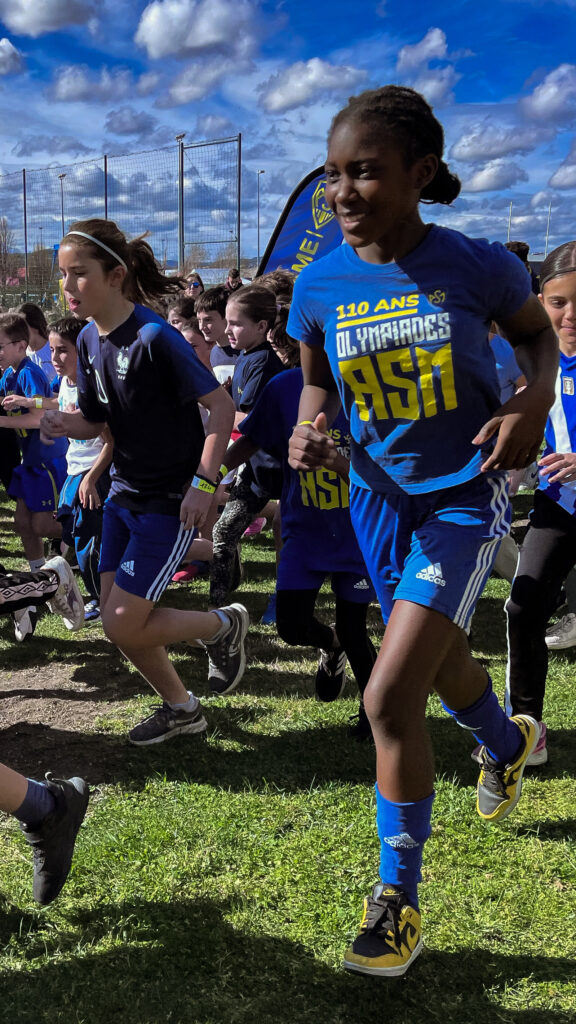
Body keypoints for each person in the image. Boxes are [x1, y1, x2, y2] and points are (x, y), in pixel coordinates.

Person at [287, 85, 557, 978]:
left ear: (420, 172)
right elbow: (317, 381)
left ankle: (396, 902)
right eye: (333, 174)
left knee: (388, 694)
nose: (343, 192)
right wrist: (309, 430)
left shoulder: (477, 265)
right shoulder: (319, 282)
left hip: (462, 496)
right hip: (373, 498)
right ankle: (508, 743)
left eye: (364, 171)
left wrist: (533, 401)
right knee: (439, 663)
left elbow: (538, 341)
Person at [40, 218, 248, 745]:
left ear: (115, 275)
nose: (67, 287)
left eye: (78, 274)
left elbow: (221, 409)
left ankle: (224, 626)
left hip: (169, 502)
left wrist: (204, 486)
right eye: (62, 274)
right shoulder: (88, 338)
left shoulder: (156, 338)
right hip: (123, 497)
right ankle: (183, 709)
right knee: (123, 625)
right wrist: (62, 422)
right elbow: (97, 421)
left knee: (121, 622)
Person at [225, 365, 377, 738]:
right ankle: (331, 645)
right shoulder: (285, 386)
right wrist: (211, 474)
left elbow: (385, 474)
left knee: (354, 628)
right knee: (291, 627)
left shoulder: (373, 383)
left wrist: (336, 460)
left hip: (356, 533)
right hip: (303, 530)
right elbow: (252, 438)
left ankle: (374, 712)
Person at [504, 241, 576, 764]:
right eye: (558, 302)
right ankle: (527, 729)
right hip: (559, 506)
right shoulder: (537, 360)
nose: (570, 316)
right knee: (523, 605)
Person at [208, 285, 284, 617]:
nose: (228, 330)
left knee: (285, 540)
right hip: (254, 470)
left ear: (262, 326)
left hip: (282, 470)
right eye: (227, 322)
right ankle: (217, 609)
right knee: (223, 531)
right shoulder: (245, 357)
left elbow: (252, 423)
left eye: (236, 323)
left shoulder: (264, 362)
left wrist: (218, 409)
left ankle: (283, 599)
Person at [0, 313, 68, 640]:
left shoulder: (29, 373)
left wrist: (2, 422)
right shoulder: (9, 374)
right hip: (29, 462)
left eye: (0, 346)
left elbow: (39, 417)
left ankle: (91, 534)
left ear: (20, 345)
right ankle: (39, 583)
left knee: (42, 525)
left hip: (46, 461)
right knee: (22, 523)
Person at [49, 316, 113, 624]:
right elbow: (55, 406)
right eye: (52, 350)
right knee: (71, 535)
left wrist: (91, 478)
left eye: (63, 350)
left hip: (94, 474)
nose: (55, 358)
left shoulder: (92, 389)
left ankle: (101, 600)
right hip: (75, 472)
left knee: (89, 542)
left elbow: (111, 442)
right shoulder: (66, 383)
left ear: (83, 351)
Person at [18, 302, 55, 384]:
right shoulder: (19, 353)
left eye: (23, 327)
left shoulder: (54, 349)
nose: (19, 332)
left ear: (35, 325)